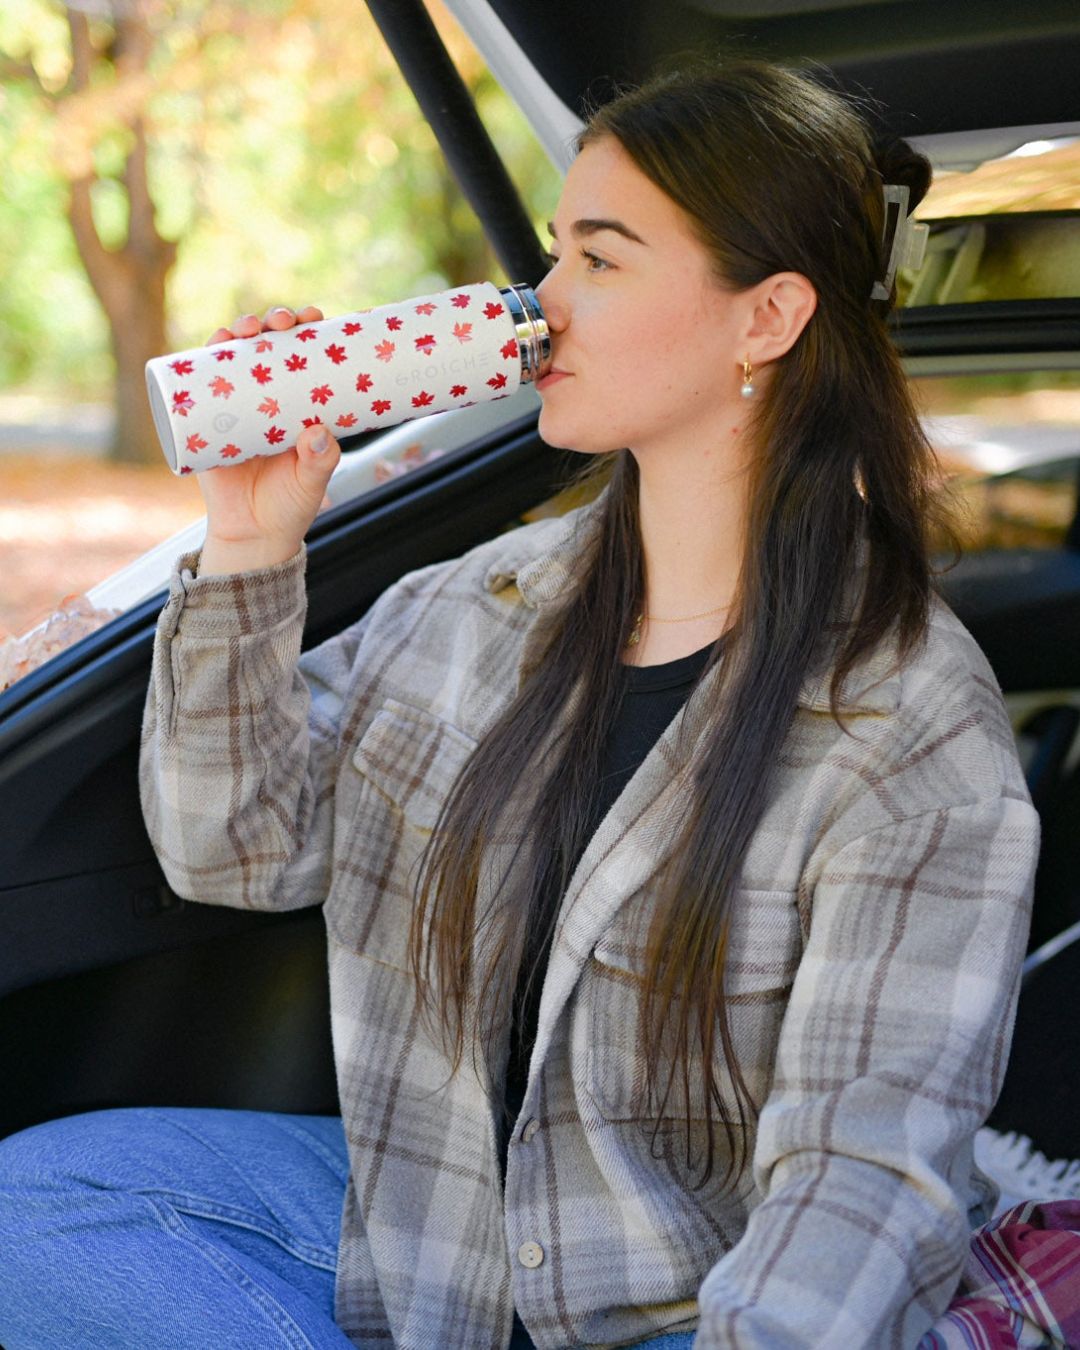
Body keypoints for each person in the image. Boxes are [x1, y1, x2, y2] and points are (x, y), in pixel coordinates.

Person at [0, 56, 1040, 1349]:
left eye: (599, 260)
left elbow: (864, 1184)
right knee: (37, 1207)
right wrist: (254, 541)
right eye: (554, 254)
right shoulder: (479, 608)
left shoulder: (908, 721)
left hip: (682, 1305)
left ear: (764, 317)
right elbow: (235, 845)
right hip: (431, 1254)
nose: (542, 301)